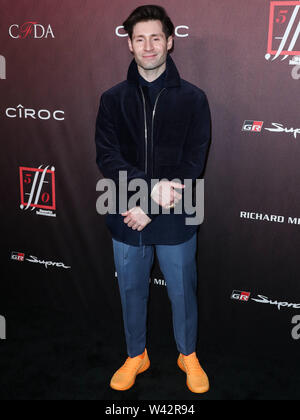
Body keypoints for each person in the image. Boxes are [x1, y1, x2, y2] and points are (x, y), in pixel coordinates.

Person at [95, 4, 211, 394]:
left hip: (177, 212)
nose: (148, 46)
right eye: (140, 38)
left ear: (170, 42)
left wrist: (153, 204)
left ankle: (187, 354)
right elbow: (108, 156)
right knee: (130, 290)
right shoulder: (112, 99)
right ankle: (135, 354)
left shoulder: (194, 99)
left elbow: (194, 161)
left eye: (155, 38)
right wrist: (143, 196)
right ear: (129, 44)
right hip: (126, 212)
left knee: (182, 291)